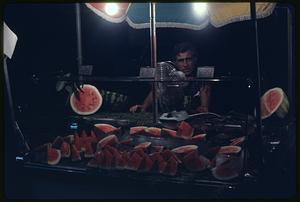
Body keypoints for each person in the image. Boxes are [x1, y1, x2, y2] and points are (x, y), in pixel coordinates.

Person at [129, 42, 211, 114]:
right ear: (175, 62)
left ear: (195, 59)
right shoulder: (170, 76)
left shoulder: (201, 75)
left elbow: (204, 98)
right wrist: (144, 106)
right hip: (171, 117)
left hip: (192, 118)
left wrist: (203, 107)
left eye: (189, 59)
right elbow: (157, 90)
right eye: (181, 60)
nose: (185, 64)